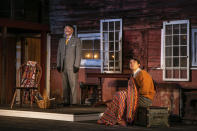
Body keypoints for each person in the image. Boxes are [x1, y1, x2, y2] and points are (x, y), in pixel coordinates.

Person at [97, 58, 155, 126]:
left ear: (139, 65)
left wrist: (132, 95)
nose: (132, 64)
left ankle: (121, 118)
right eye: (130, 63)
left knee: (122, 97)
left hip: (145, 99)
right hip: (137, 97)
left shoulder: (142, 73)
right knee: (119, 95)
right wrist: (130, 94)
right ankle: (111, 116)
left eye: (134, 62)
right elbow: (131, 90)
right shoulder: (133, 75)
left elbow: (145, 90)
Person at [57, 24, 82, 105]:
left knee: (73, 84)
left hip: (72, 66)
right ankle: (66, 101)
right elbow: (59, 54)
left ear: (72, 30)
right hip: (63, 66)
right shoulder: (61, 40)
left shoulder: (76, 40)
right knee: (65, 85)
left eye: (68, 28)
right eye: (65, 29)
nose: (66, 30)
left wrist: (76, 65)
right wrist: (58, 64)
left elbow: (78, 54)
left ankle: (74, 102)